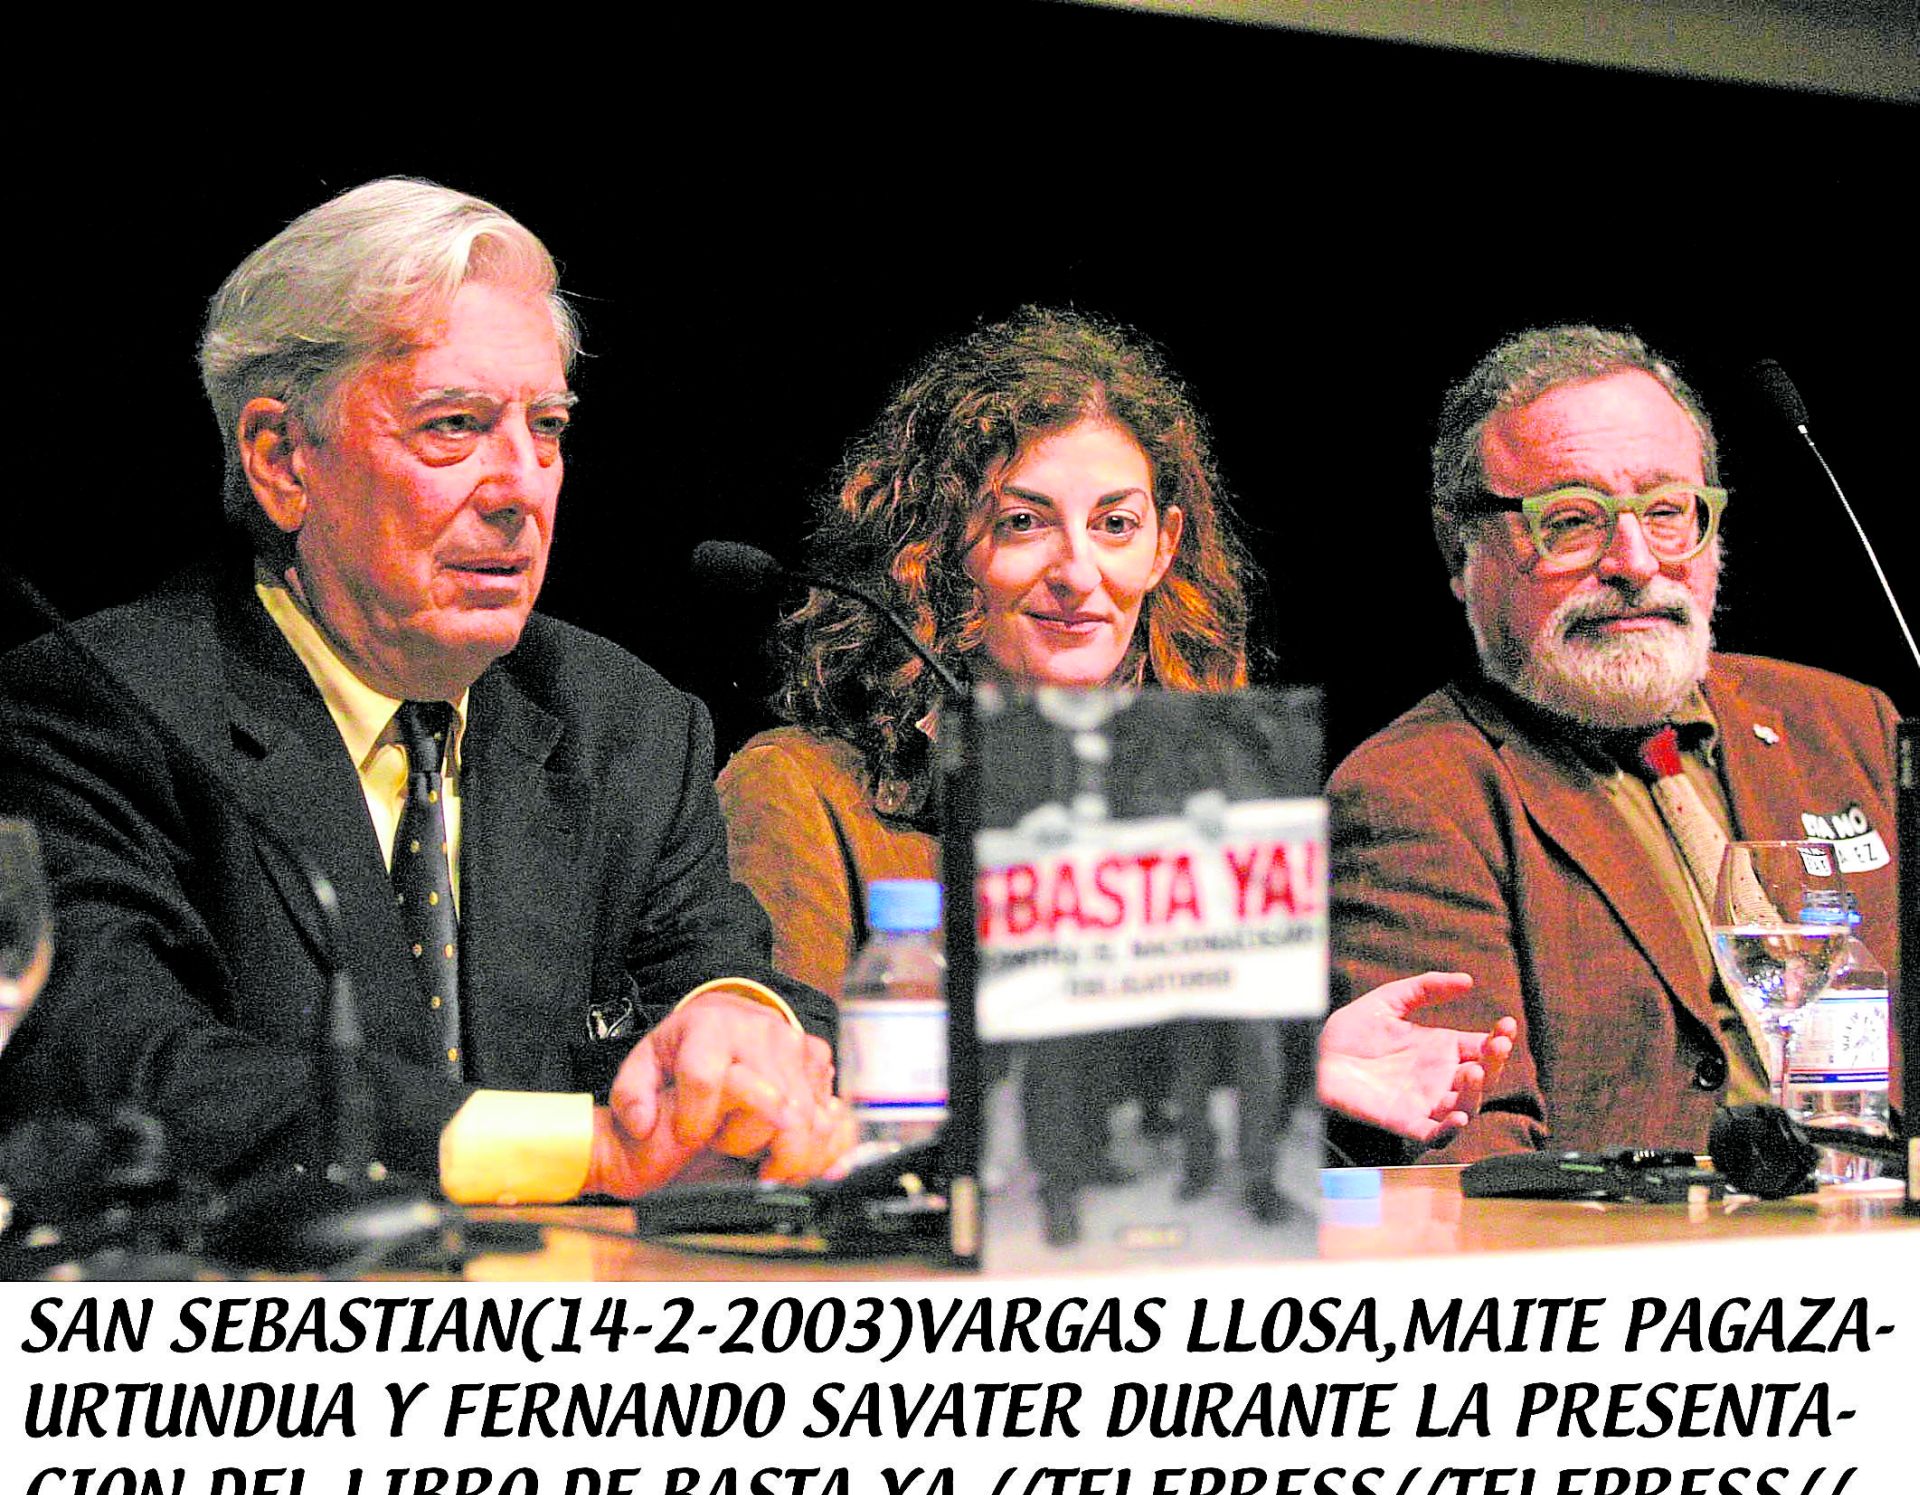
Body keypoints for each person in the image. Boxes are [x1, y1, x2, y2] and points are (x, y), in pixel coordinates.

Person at [0, 178, 848, 1208]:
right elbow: (118, 1072)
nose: (520, 484)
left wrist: (739, 1022)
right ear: (280, 458)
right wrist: (587, 1149)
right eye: (455, 425)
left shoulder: (624, 723)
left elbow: (720, 971)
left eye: (547, 426)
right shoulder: (105, 709)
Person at [718, 307, 1514, 1235]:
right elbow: (804, 1127)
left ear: (1163, 545)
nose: (1078, 571)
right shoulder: (798, 792)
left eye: (1115, 524)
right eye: (1023, 523)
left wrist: (1303, 1085)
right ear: (931, 550)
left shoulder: (1192, 810)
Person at [1328, 325, 1901, 1164]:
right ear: (1463, 552)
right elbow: (1475, 1171)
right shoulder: (1413, 795)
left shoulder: (1846, 726)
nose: (1635, 562)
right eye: (1570, 520)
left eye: (1669, 513)